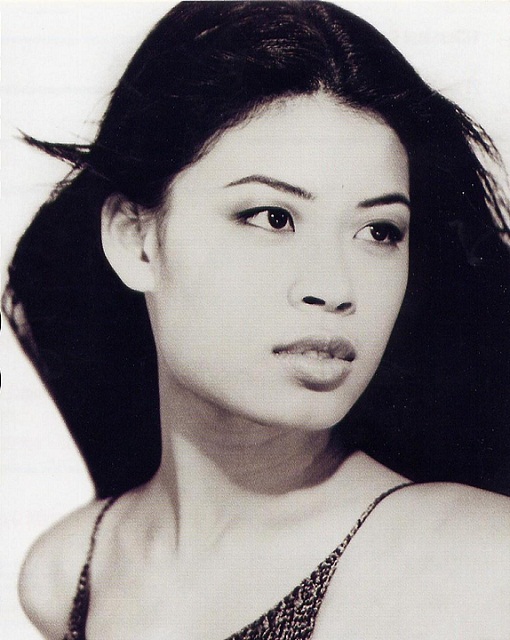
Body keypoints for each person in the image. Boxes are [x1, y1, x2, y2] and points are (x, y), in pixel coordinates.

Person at [4, 2, 510, 638]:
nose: (333, 288)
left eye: (379, 231)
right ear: (137, 240)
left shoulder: (471, 569)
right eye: (272, 218)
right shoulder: (67, 573)